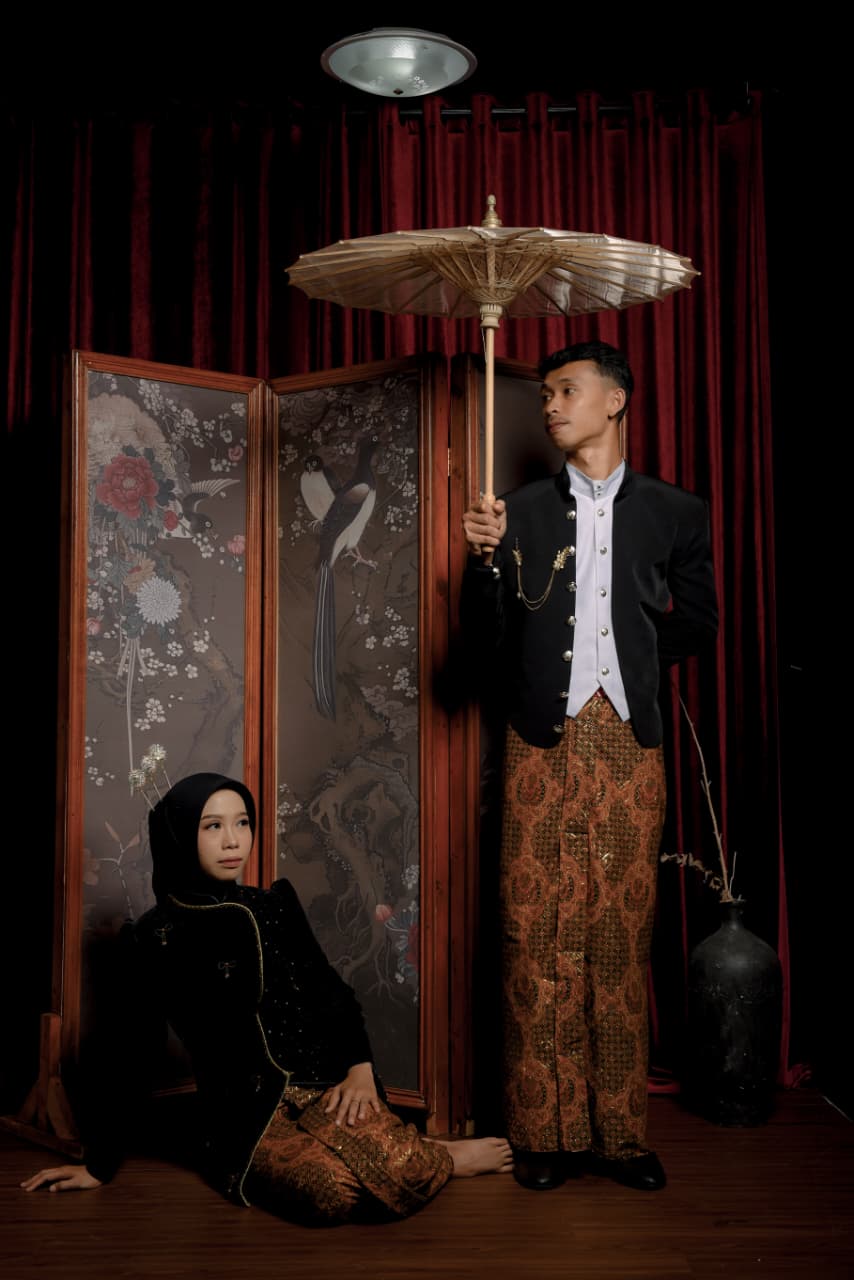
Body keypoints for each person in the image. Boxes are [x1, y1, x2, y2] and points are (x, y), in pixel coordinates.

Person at [21, 773, 512, 1223]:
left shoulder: (273, 906)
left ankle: (415, 1153)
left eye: (242, 823)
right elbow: (131, 1046)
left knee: (385, 1166)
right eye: (213, 826)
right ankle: (434, 1155)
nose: (233, 840)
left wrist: (359, 1070)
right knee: (331, 1193)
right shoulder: (155, 935)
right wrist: (99, 1165)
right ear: (180, 834)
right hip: (244, 1112)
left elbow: (331, 994)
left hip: (325, 1083)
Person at [460, 340, 718, 1193]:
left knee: (619, 935)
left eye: (566, 391)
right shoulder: (516, 511)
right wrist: (484, 562)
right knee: (534, 933)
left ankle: (619, 1136)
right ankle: (545, 1133)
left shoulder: (677, 511)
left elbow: (699, 621)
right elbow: (484, 645)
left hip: (629, 745)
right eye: (544, 394)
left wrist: (629, 667)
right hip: (540, 739)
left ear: (616, 400)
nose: (549, 406)